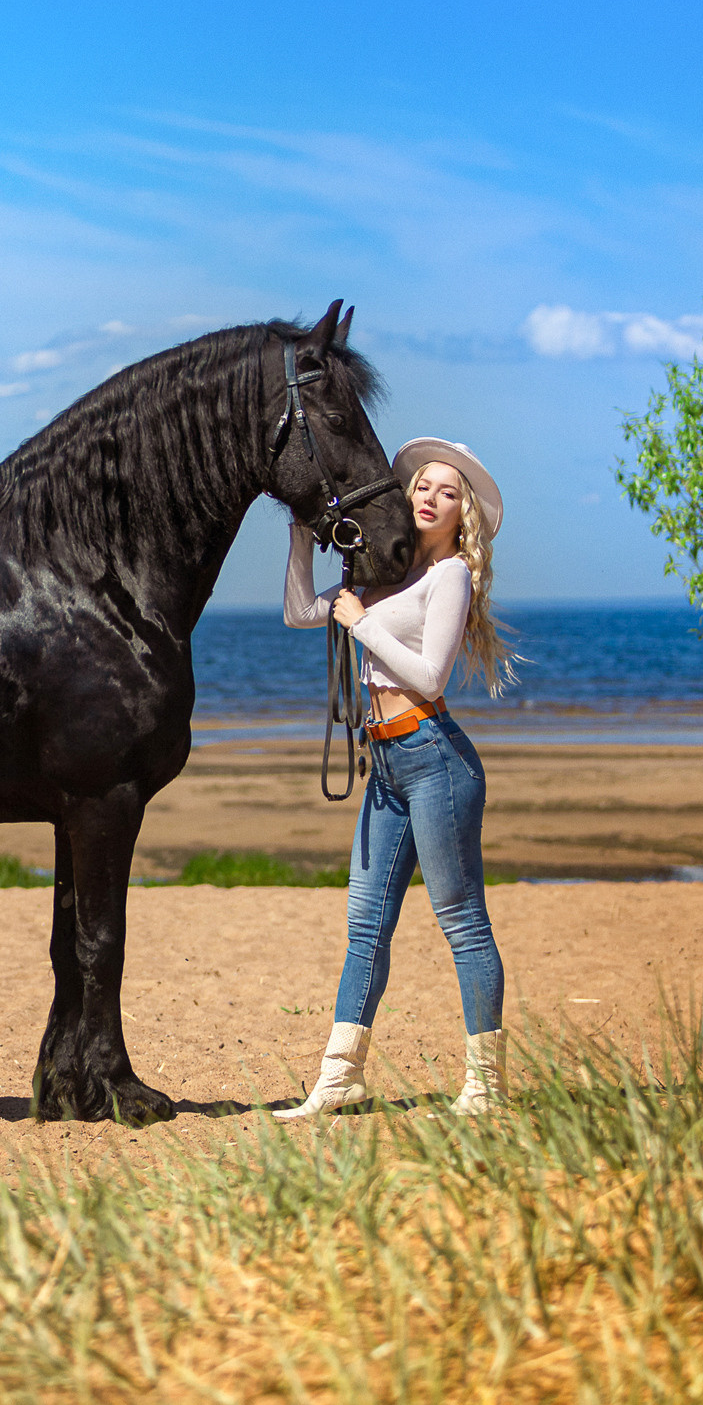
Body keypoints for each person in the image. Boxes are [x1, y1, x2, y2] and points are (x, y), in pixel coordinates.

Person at [274, 438, 516, 1118]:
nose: (428, 496)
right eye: (422, 486)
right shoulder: (387, 573)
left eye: (446, 490)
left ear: (463, 511)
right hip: (384, 762)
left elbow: (431, 676)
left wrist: (361, 626)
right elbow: (298, 611)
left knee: (462, 921)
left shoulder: (452, 577)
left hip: (434, 755)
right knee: (366, 926)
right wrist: (299, 533)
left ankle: (485, 1087)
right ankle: (339, 1079)